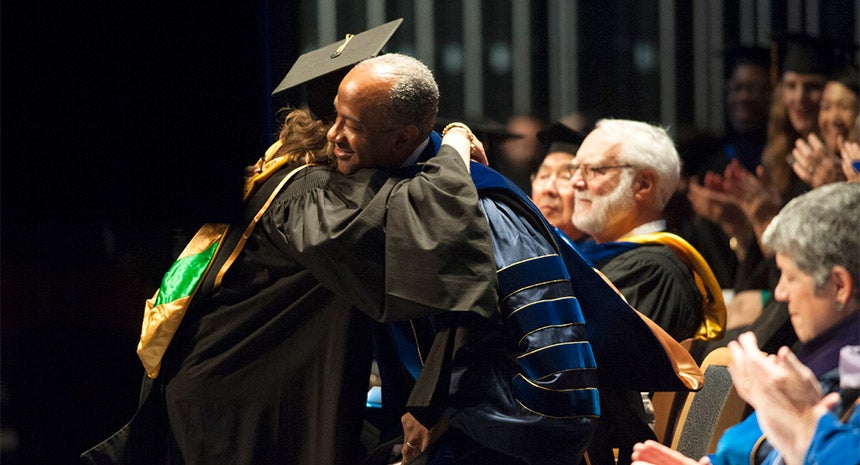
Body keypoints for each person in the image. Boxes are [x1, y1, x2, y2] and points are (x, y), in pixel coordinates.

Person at [81, 75, 500, 465]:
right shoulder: (312, 195)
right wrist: (453, 141)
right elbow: (429, 221)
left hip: (220, 389)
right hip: (233, 404)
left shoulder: (280, 177)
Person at [630, 181, 860, 465]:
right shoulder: (826, 363)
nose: (780, 293)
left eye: (790, 277)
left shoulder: (840, 374)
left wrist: (805, 421)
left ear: (839, 286)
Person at [571, 119, 727, 465]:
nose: (575, 182)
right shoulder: (600, 258)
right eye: (575, 169)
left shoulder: (654, 270)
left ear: (643, 184)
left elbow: (604, 373)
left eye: (593, 170)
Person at [789, 65, 859, 188]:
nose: (833, 118)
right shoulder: (812, 171)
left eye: (844, 106)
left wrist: (841, 186)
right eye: (826, 107)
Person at [530, 121, 588, 243]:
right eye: (543, 176)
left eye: (565, 177)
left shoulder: (603, 254)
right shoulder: (519, 248)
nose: (549, 188)